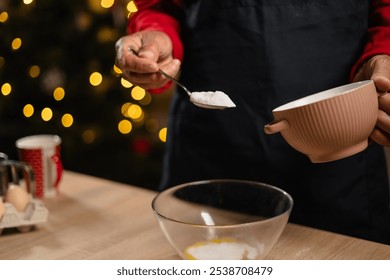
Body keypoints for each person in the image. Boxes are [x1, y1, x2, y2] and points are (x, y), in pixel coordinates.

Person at [115, 0, 390, 245]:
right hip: (210, 152)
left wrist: (383, 55)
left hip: (340, 159)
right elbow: (159, 6)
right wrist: (157, 35)